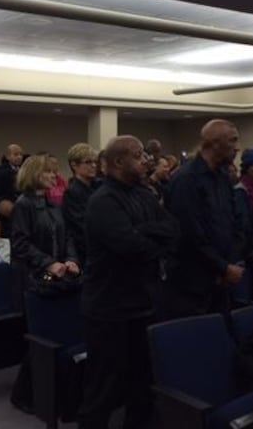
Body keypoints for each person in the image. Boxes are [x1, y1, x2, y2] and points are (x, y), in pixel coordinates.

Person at [79, 135, 179, 429]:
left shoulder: (144, 194)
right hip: (109, 309)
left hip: (143, 304)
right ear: (119, 162)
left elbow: (173, 230)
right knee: (103, 388)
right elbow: (129, 246)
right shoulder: (103, 200)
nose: (146, 160)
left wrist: (142, 231)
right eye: (138, 155)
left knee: (142, 384)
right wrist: (151, 237)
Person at [9, 153, 80, 412]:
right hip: (35, 278)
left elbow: (67, 236)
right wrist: (49, 263)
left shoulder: (52, 203)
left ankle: (53, 392)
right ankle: (22, 394)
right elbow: (20, 244)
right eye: (48, 172)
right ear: (34, 175)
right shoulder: (23, 205)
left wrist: (71, 259)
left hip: (56, 275)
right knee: (41, 337)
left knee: (56, 334)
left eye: (54, 171)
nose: (54, 176)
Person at [164, 119, 244, 318]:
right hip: (193, 282)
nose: (237, 147)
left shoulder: (223, 177)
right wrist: (222, 267)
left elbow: (234, 222)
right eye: (232, 140)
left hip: (221, 279)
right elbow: (189, 233)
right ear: (213, 143)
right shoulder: (186, 179)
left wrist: (230, 264)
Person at [61, 143, 99, 264]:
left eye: (95, 162)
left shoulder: (97, 187)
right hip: (84, 252)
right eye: (88, 162)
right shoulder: (72, 192)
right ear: (74, 165)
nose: (93, 165)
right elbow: (81, 226)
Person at [0, 144, 24, 237]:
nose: (19, 157)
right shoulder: (0, 172)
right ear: (7, 156)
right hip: (6, 211)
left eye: (21, 154)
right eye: (16, 154)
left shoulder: (23, 171)